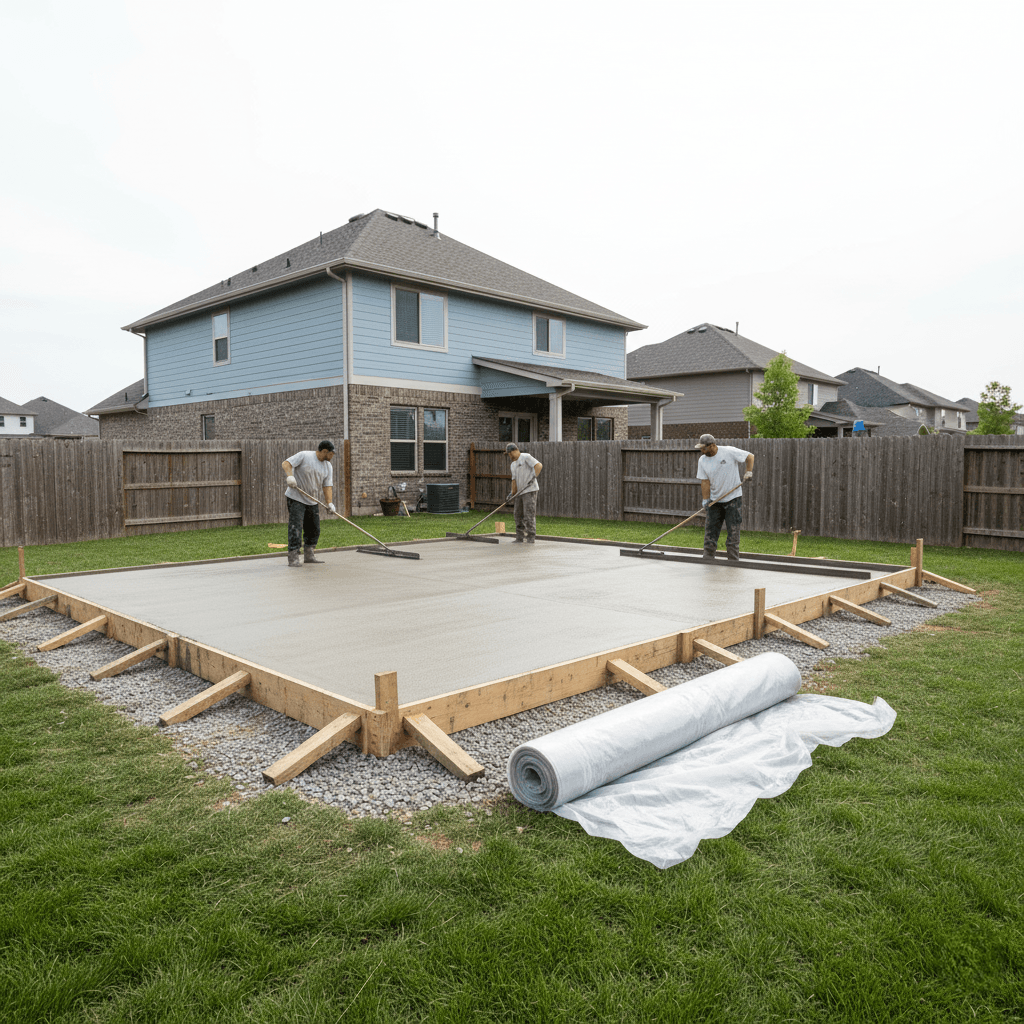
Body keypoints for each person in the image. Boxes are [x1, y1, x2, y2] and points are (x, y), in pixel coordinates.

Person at [695, 433, 754, 562]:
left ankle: (733, 561)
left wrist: (748, 471)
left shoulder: (728, 451)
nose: (701, 450)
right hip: (715, 501)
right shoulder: (702, 460)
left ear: (712, 446)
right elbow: (704, 481)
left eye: (703, 448)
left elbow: (750, 456)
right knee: (710, 531)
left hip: (733, 498)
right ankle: (707, 559)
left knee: (733, 531)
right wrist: (705, 499)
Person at [282, 441, 336, 567]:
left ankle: (309, 554)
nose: (332, 456)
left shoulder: (328, 466)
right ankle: (293, 557)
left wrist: (330, 503)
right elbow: (286, 463)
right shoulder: (305, 456)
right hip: (296, 497)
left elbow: (327, 485)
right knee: (296, 527)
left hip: (312, 500)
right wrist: (290, 477)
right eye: (331, 453)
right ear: (324, 451)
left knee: (314, 528)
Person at [505, 442, 543, 543]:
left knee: (528, 514)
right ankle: (519, 537)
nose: (510, 456)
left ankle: (530, 537)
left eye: (510, 453)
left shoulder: (526, 457)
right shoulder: (513, 465)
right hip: (519, 493)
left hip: (530, 490)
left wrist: (533, 477)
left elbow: (539, 465)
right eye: (508, 454)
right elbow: (514, 481)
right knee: (517, 514)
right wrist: (511, 494)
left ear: (515, 451)